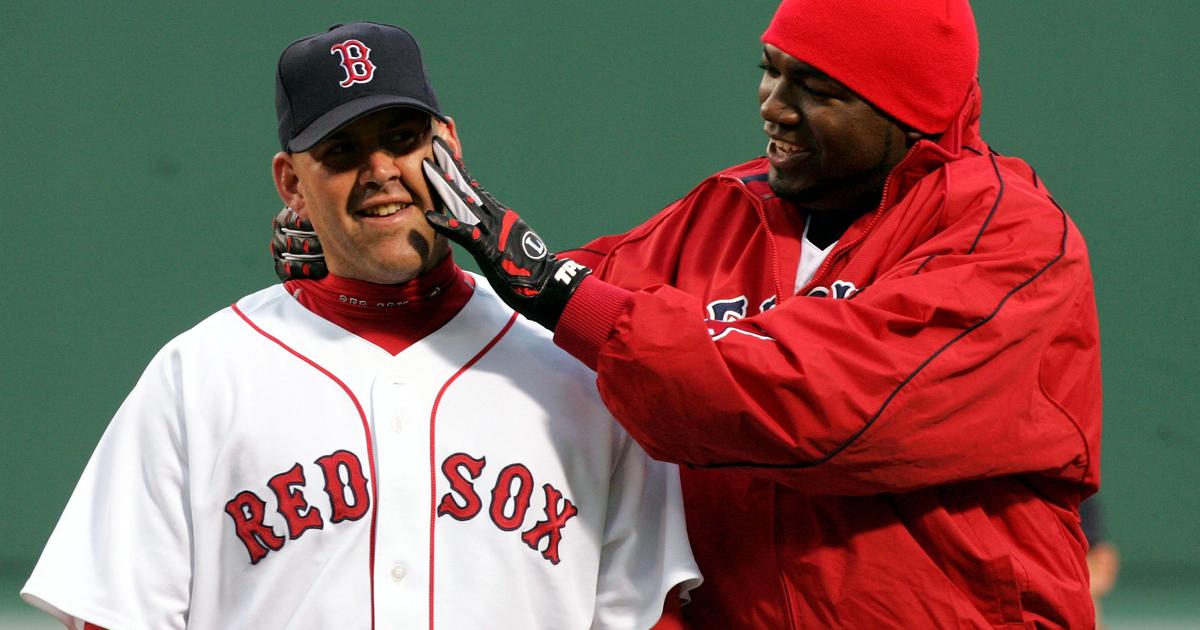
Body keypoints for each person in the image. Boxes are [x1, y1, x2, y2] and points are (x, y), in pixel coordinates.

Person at [277, 1, 1103, 626]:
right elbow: (551, 318)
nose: (774, 104)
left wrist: (547, 286)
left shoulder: (1009, 239)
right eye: (771, 69)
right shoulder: (729, 210)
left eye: (814, 87)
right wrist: (386, 260)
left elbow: (821, 409)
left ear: (908, 110)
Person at [22, 22, 700, 630]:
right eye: (341, 151)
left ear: (451, 146)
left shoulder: (574, 370)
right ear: (291, 183)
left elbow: (648, 617)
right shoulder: (199, 375)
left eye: (403, 140)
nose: (380, 172)